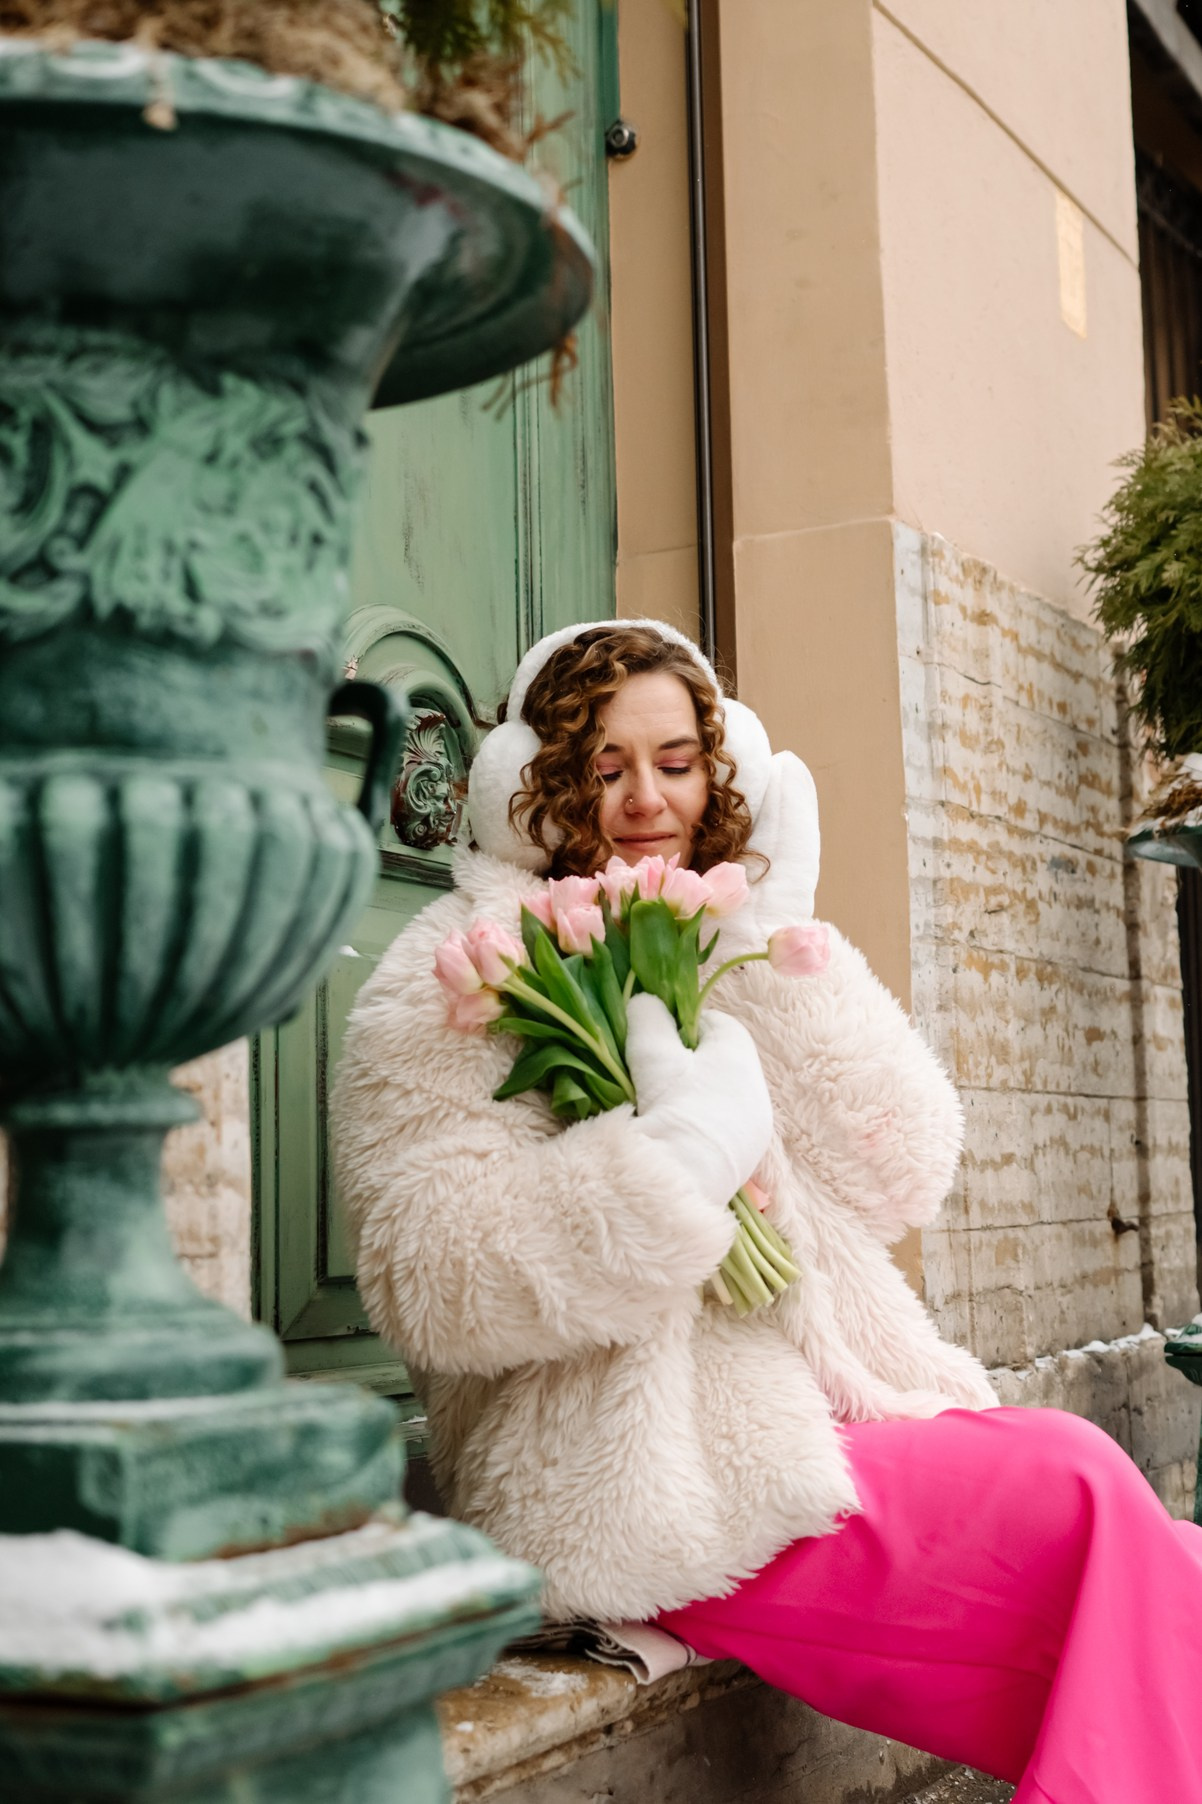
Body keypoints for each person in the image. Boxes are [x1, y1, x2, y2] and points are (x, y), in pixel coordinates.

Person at [332, 620, 1202, 1803]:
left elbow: (902, 1170)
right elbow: (429, 1274)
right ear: (529, 782)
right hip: (635, 1474)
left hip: (816, 1410)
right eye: (602, 765)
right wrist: (670, 1164)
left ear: (722, 767)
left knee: (1156, 1564)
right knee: (1083, 1491)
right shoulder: (459, 967)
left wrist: (781, 941)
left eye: (676, 762)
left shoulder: (722, 937)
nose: (645, 799)